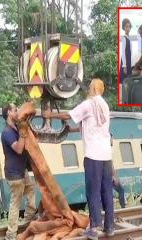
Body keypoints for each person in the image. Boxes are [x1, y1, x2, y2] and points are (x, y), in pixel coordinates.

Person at [43, 79, 114, 239]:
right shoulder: (104, 105)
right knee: (106, 191)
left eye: (90, 87)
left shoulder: (89, 104)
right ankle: (109, 226)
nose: (88, 89)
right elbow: (93, 126)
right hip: (106, 156)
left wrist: (50, 115)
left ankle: (94, 228)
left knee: (93, 192)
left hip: (93, 156)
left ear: (94, 88)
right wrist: (73, 129)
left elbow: (69, 114)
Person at [2, 103, 36, 240]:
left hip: (22, 171)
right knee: (15, 205)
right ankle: (10, 235)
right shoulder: (7, 132)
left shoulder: (15, 128)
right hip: (14, 175)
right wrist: (23, 132)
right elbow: (18, 149)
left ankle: (27, 223)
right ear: (9, 113)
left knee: (31, 194)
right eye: (15, 109)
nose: (18, 111)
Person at [110, 133, 125, 209]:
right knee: (121, 190)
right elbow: (111, 165)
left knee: (107, 193)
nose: (112, 140)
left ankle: (106, 209)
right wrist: (115, 177)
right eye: (112, 138)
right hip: (110, 176)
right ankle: (123, 208)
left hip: (105, 175)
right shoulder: (109, 149)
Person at [121, 18, 132, 83]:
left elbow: (130, 51)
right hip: (125, 62)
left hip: (129, 61)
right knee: (125, 81)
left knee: (128, 79)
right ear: (123, 28)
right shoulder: (124, 38)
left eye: (129, 26)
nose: (128, 28)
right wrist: (124, 66)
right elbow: (123, 52)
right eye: (126, 26)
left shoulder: (129, 38)